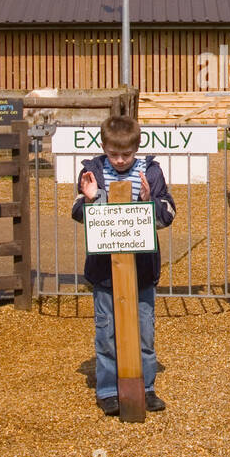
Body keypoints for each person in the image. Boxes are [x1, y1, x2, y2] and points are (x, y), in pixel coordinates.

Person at [70, 115, 176, 416]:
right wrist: (89, 200)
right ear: (103, 147)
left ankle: (145, 388)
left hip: (142, 269)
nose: (119, 160)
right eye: (113, 154)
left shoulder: (150, 172)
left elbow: (168, 213)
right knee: (107, 333)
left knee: (143, 330)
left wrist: (148, 201)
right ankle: (107, 390)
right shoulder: (92, 172)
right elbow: (77, 211)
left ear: (136, 148)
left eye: (126, 155)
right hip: (104, 270)